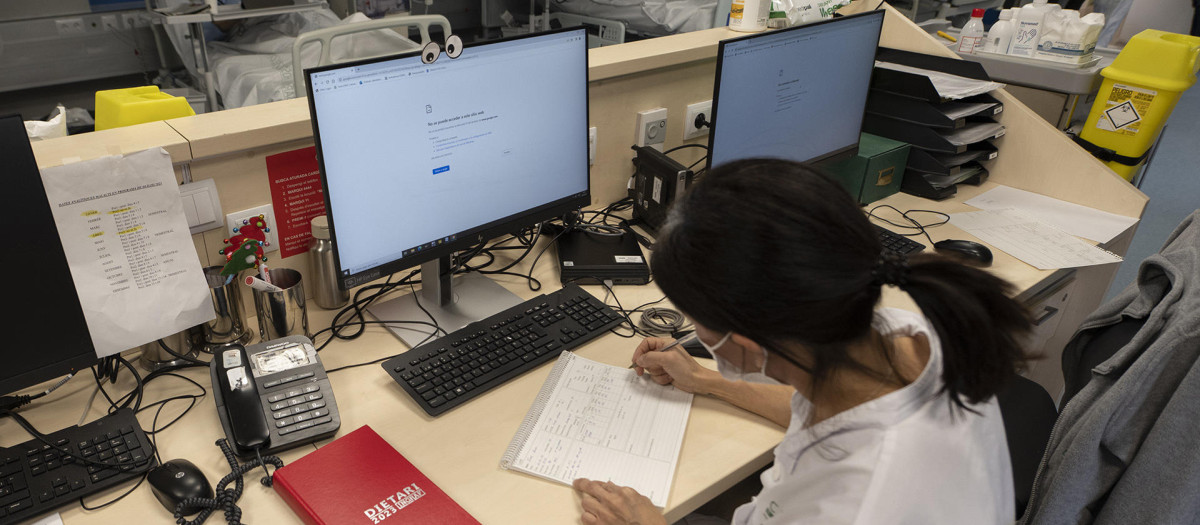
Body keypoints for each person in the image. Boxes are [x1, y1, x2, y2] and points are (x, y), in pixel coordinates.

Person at [572, 158, 1032, 525]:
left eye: (697, 324)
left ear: (747, 342)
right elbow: (817, 403)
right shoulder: (894, 335)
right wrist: (708, 382)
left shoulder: (863, 501)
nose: (694, 334)